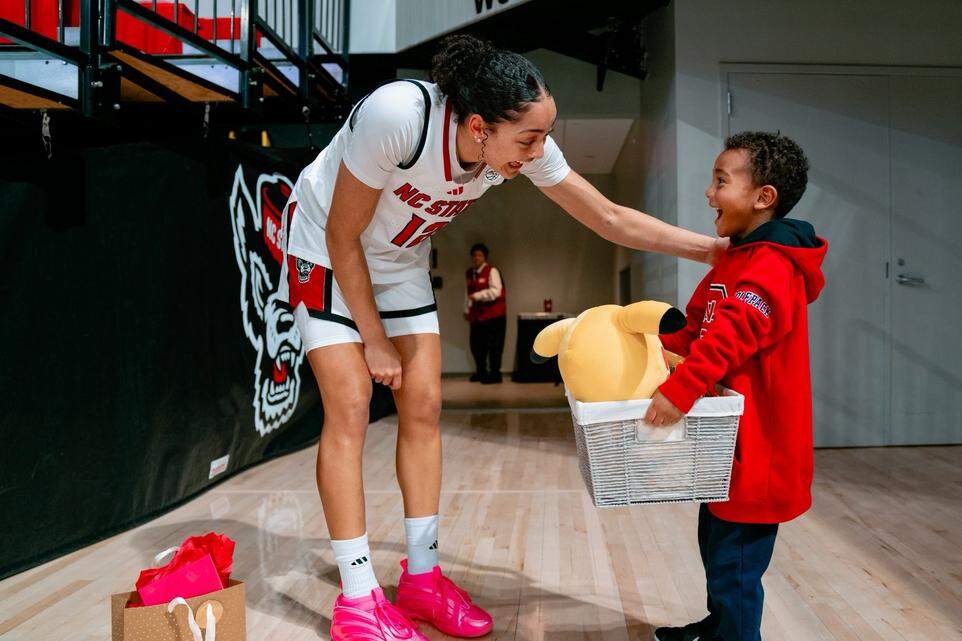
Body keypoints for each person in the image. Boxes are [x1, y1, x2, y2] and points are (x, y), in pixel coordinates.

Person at [283, 33, 730, 641]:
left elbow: (609, 217)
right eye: (529, 139)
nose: (539, 151)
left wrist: (714, 250)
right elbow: (342, 234)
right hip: (325, 249)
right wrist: (374, 340)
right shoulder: (398, 117)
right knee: (352, 406)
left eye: (544, 135)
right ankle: (359, 600)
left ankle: (421, 577)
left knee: (426, 404)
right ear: (476, 127)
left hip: (400, 259)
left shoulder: (516, 145)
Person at [643, 131, 827, 641]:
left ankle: (736, 635)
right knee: (714, 544)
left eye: (721, 181)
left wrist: (679, 391)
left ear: (762, 197)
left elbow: (732, 334)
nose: (709, 193)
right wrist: (647, 352)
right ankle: (719, 627)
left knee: (737, 564)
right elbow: (698, 324)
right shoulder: (735, 259)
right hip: (729, 445)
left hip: (762, 449)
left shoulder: (773, 266)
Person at [464, 243, 507, 384]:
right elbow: (467, 293)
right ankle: (481, 372)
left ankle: (495, 374)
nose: (476, 258)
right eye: (474, 255)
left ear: (485, 257)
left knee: (494, 346)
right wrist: (466, 309)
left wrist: (478, 296)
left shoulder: (492, 271)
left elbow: (496, 291)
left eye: (479, 255)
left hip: (494, 315)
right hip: (477, 316)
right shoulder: (470, 273)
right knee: (476, 346)